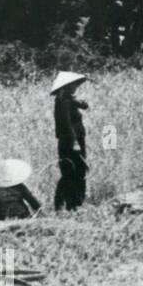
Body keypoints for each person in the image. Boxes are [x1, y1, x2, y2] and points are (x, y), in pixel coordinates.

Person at [51, 71, 90, 210]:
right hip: (70, 142)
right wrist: (74, 143)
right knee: (73, 172)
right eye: (72, 85)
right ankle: (69, 204)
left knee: (76, 171)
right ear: (66, 86)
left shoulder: (69, 100)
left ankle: (72, 204)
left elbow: (85, 106)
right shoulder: (63, 102)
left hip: (75, 140)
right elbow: (67, 125)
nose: (75, 87)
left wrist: (78, 101)